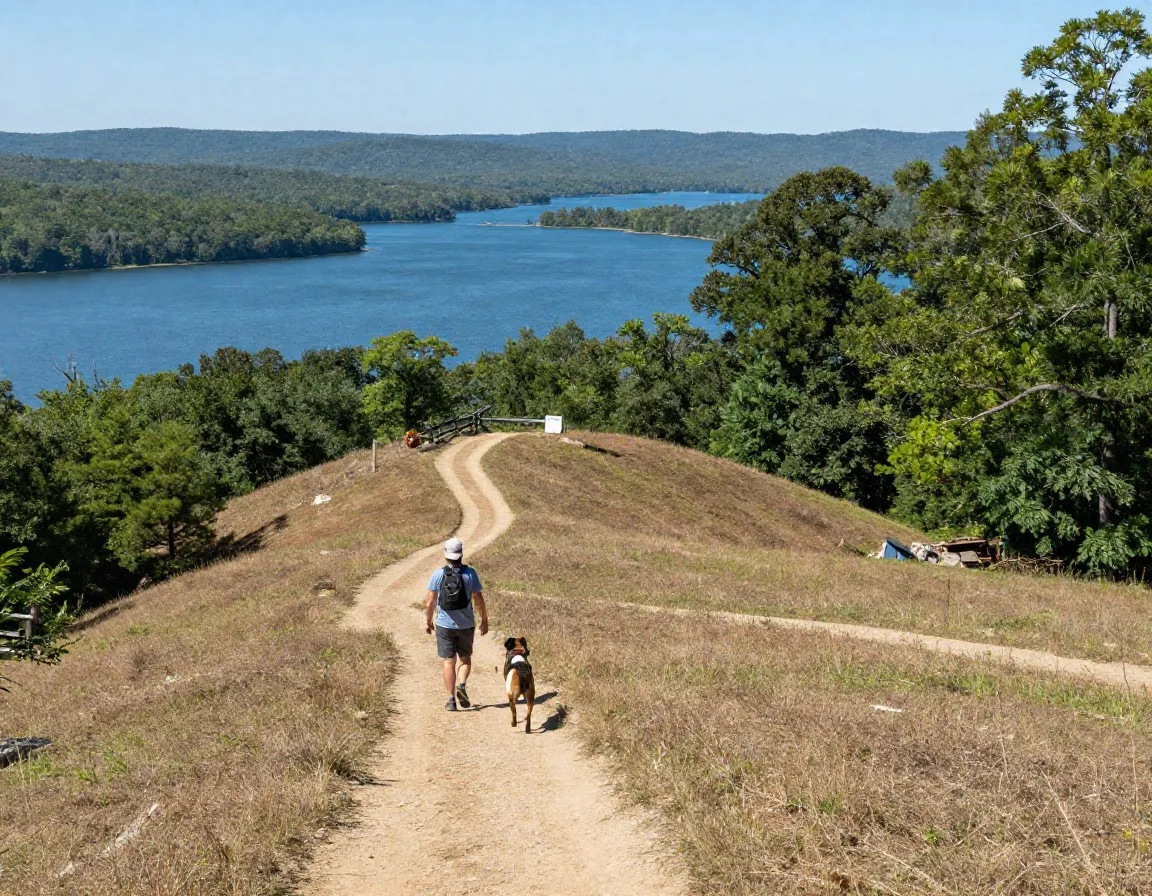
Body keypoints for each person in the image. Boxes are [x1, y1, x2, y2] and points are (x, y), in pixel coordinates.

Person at [425, 536, 488, 711]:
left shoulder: (438, 574)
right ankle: (461, 684)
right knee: (465, 659)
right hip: (466, 625)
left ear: (445, 554)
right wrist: (484, 621)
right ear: (461, 554)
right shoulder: (470, 574)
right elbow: (478, 599)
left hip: (444, 625)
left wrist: (428, 621)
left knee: (448, 661)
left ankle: (451, 699)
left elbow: (430, 602)